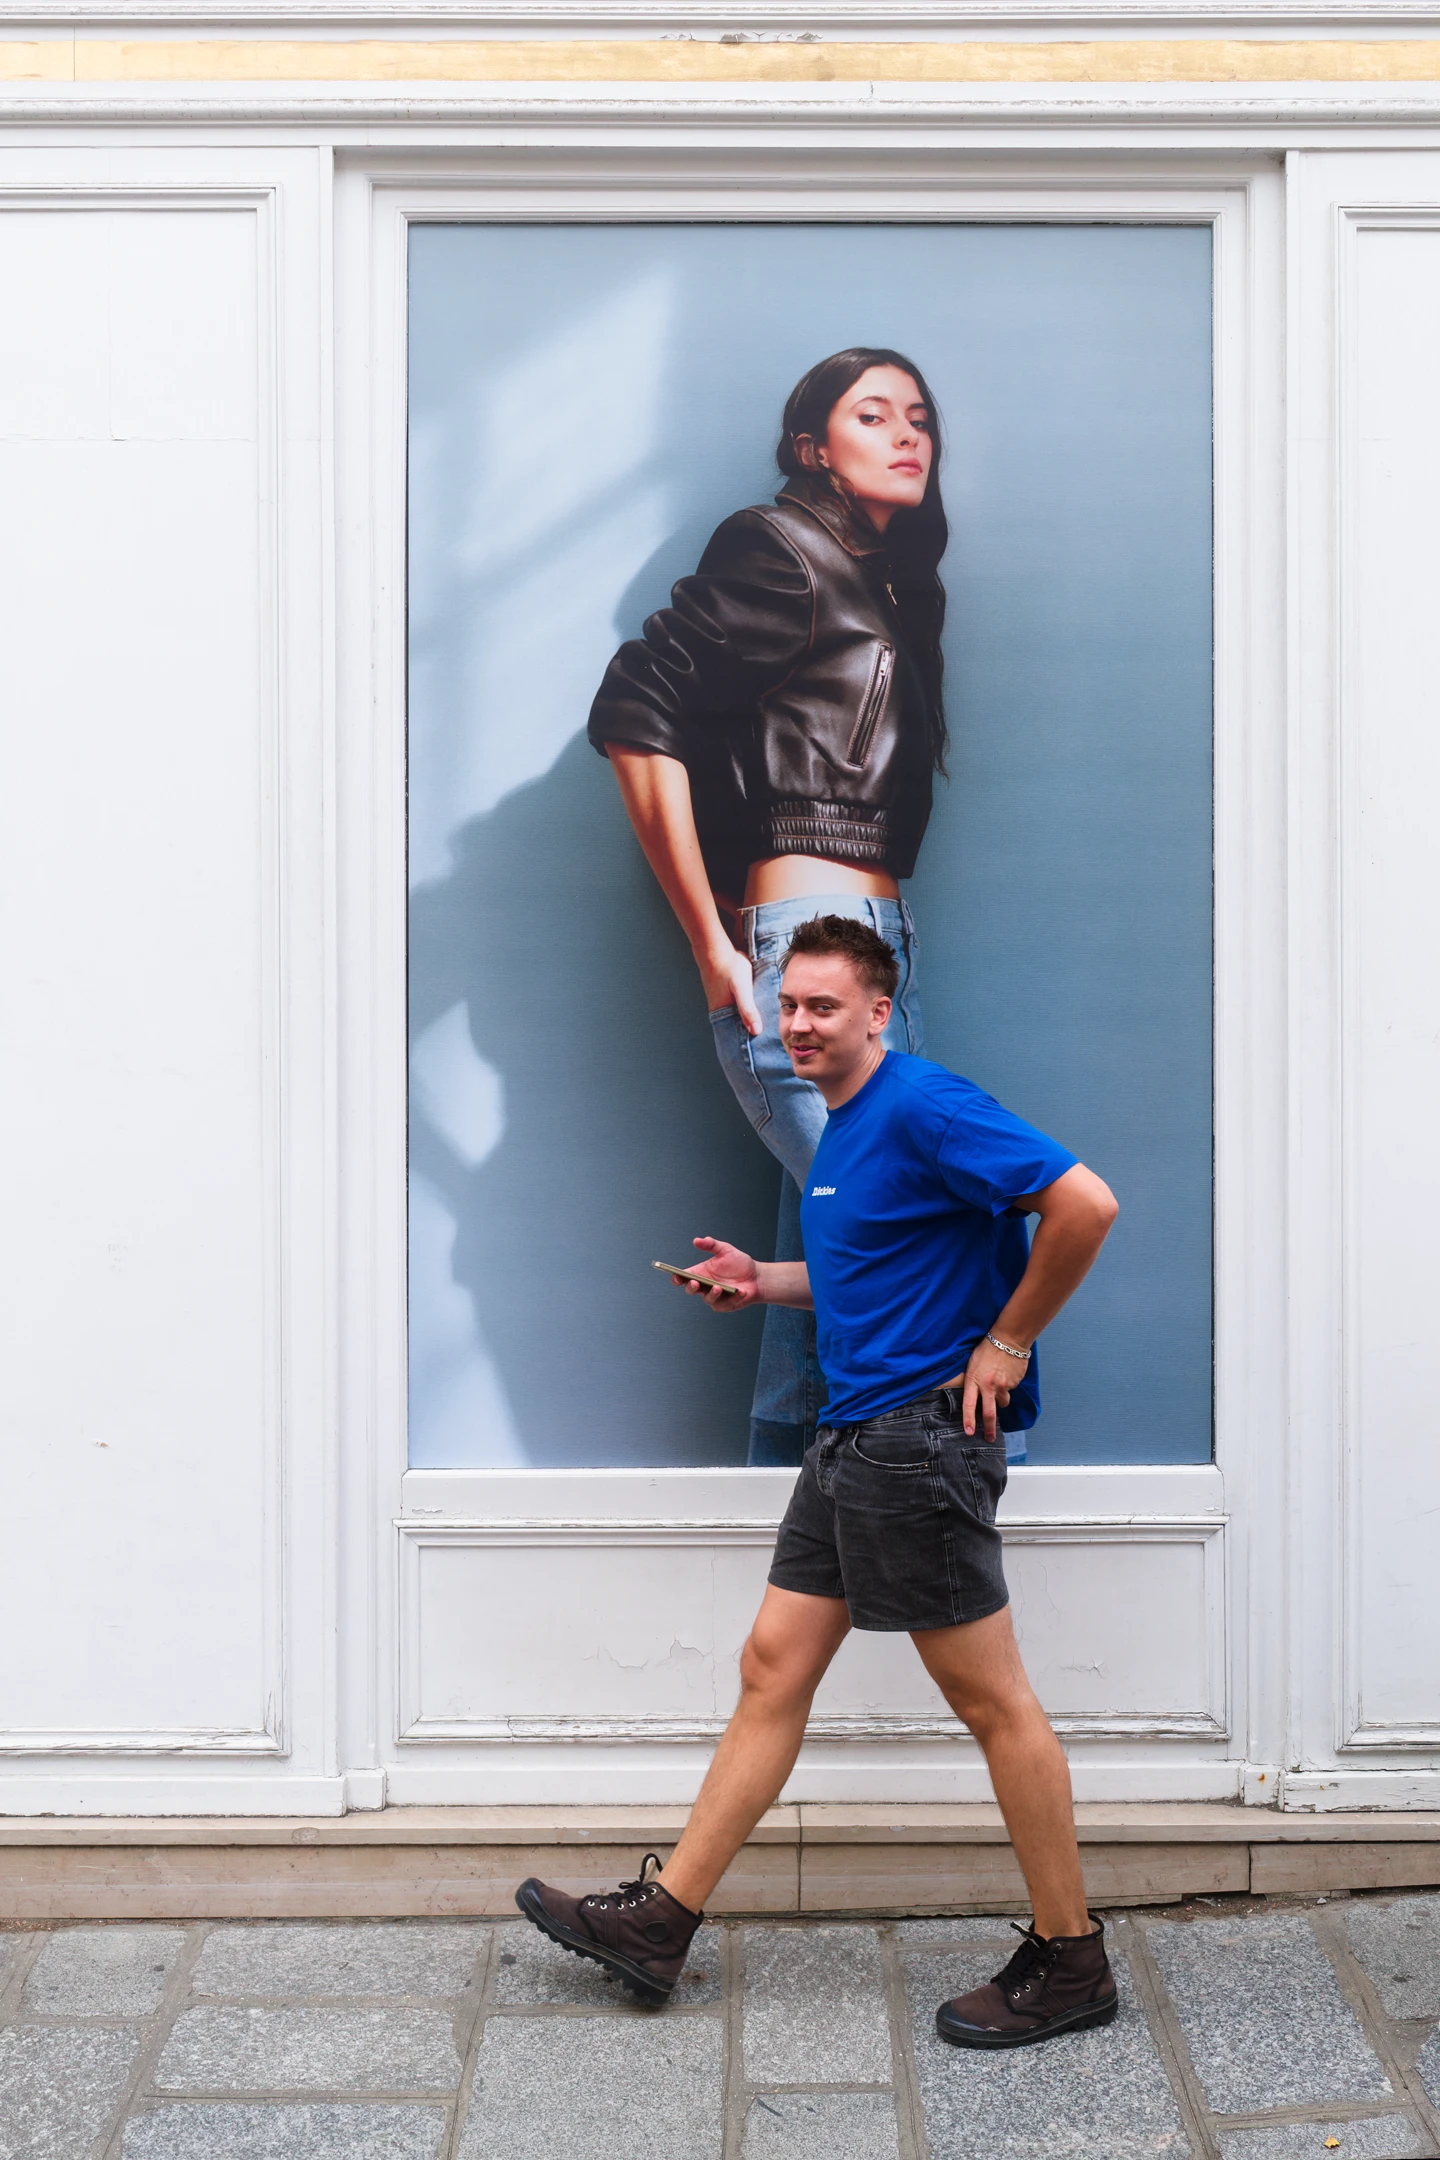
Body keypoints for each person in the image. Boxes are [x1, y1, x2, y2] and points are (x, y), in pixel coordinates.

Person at [517, 915, 1122, 2050]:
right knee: (771, 1669)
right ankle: (662, 1921)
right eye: (788, 1004)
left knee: (994, 1704)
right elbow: (875, 1273)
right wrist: (764, 1282)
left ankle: (1071, 1958)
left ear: (876, 1013)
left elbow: (1085, 1204)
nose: (797, 1023)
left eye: (822, 1006)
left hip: (916, 1443)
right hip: (851, 1445)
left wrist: (1011, 1339)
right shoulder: (842, 1130)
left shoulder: (927, 1105)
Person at [588, 347, 947, 1466]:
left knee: (837, 1254)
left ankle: (797, 1520)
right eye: (873, 415)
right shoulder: (779, 546)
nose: (908, 435)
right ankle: (949, 1510)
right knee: (919, 1243)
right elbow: (633, 709)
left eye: (921, 418)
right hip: (809, 957)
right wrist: (713, 945)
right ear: (811, 449)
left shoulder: (881, 579)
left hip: (874, 956)